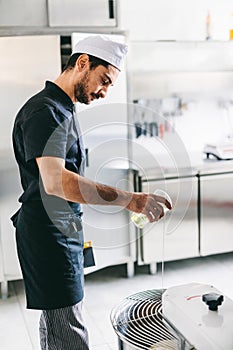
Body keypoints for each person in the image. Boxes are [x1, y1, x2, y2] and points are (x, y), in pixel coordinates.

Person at [11, 35, 172, 350]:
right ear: (82, 63)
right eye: (104, 80)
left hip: (60, 231)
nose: (104, 91)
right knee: (69, 332)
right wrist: (132, 199)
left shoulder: (62, 107)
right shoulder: (47, 112)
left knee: (60, 325)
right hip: (48, 237)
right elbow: (56, 182)